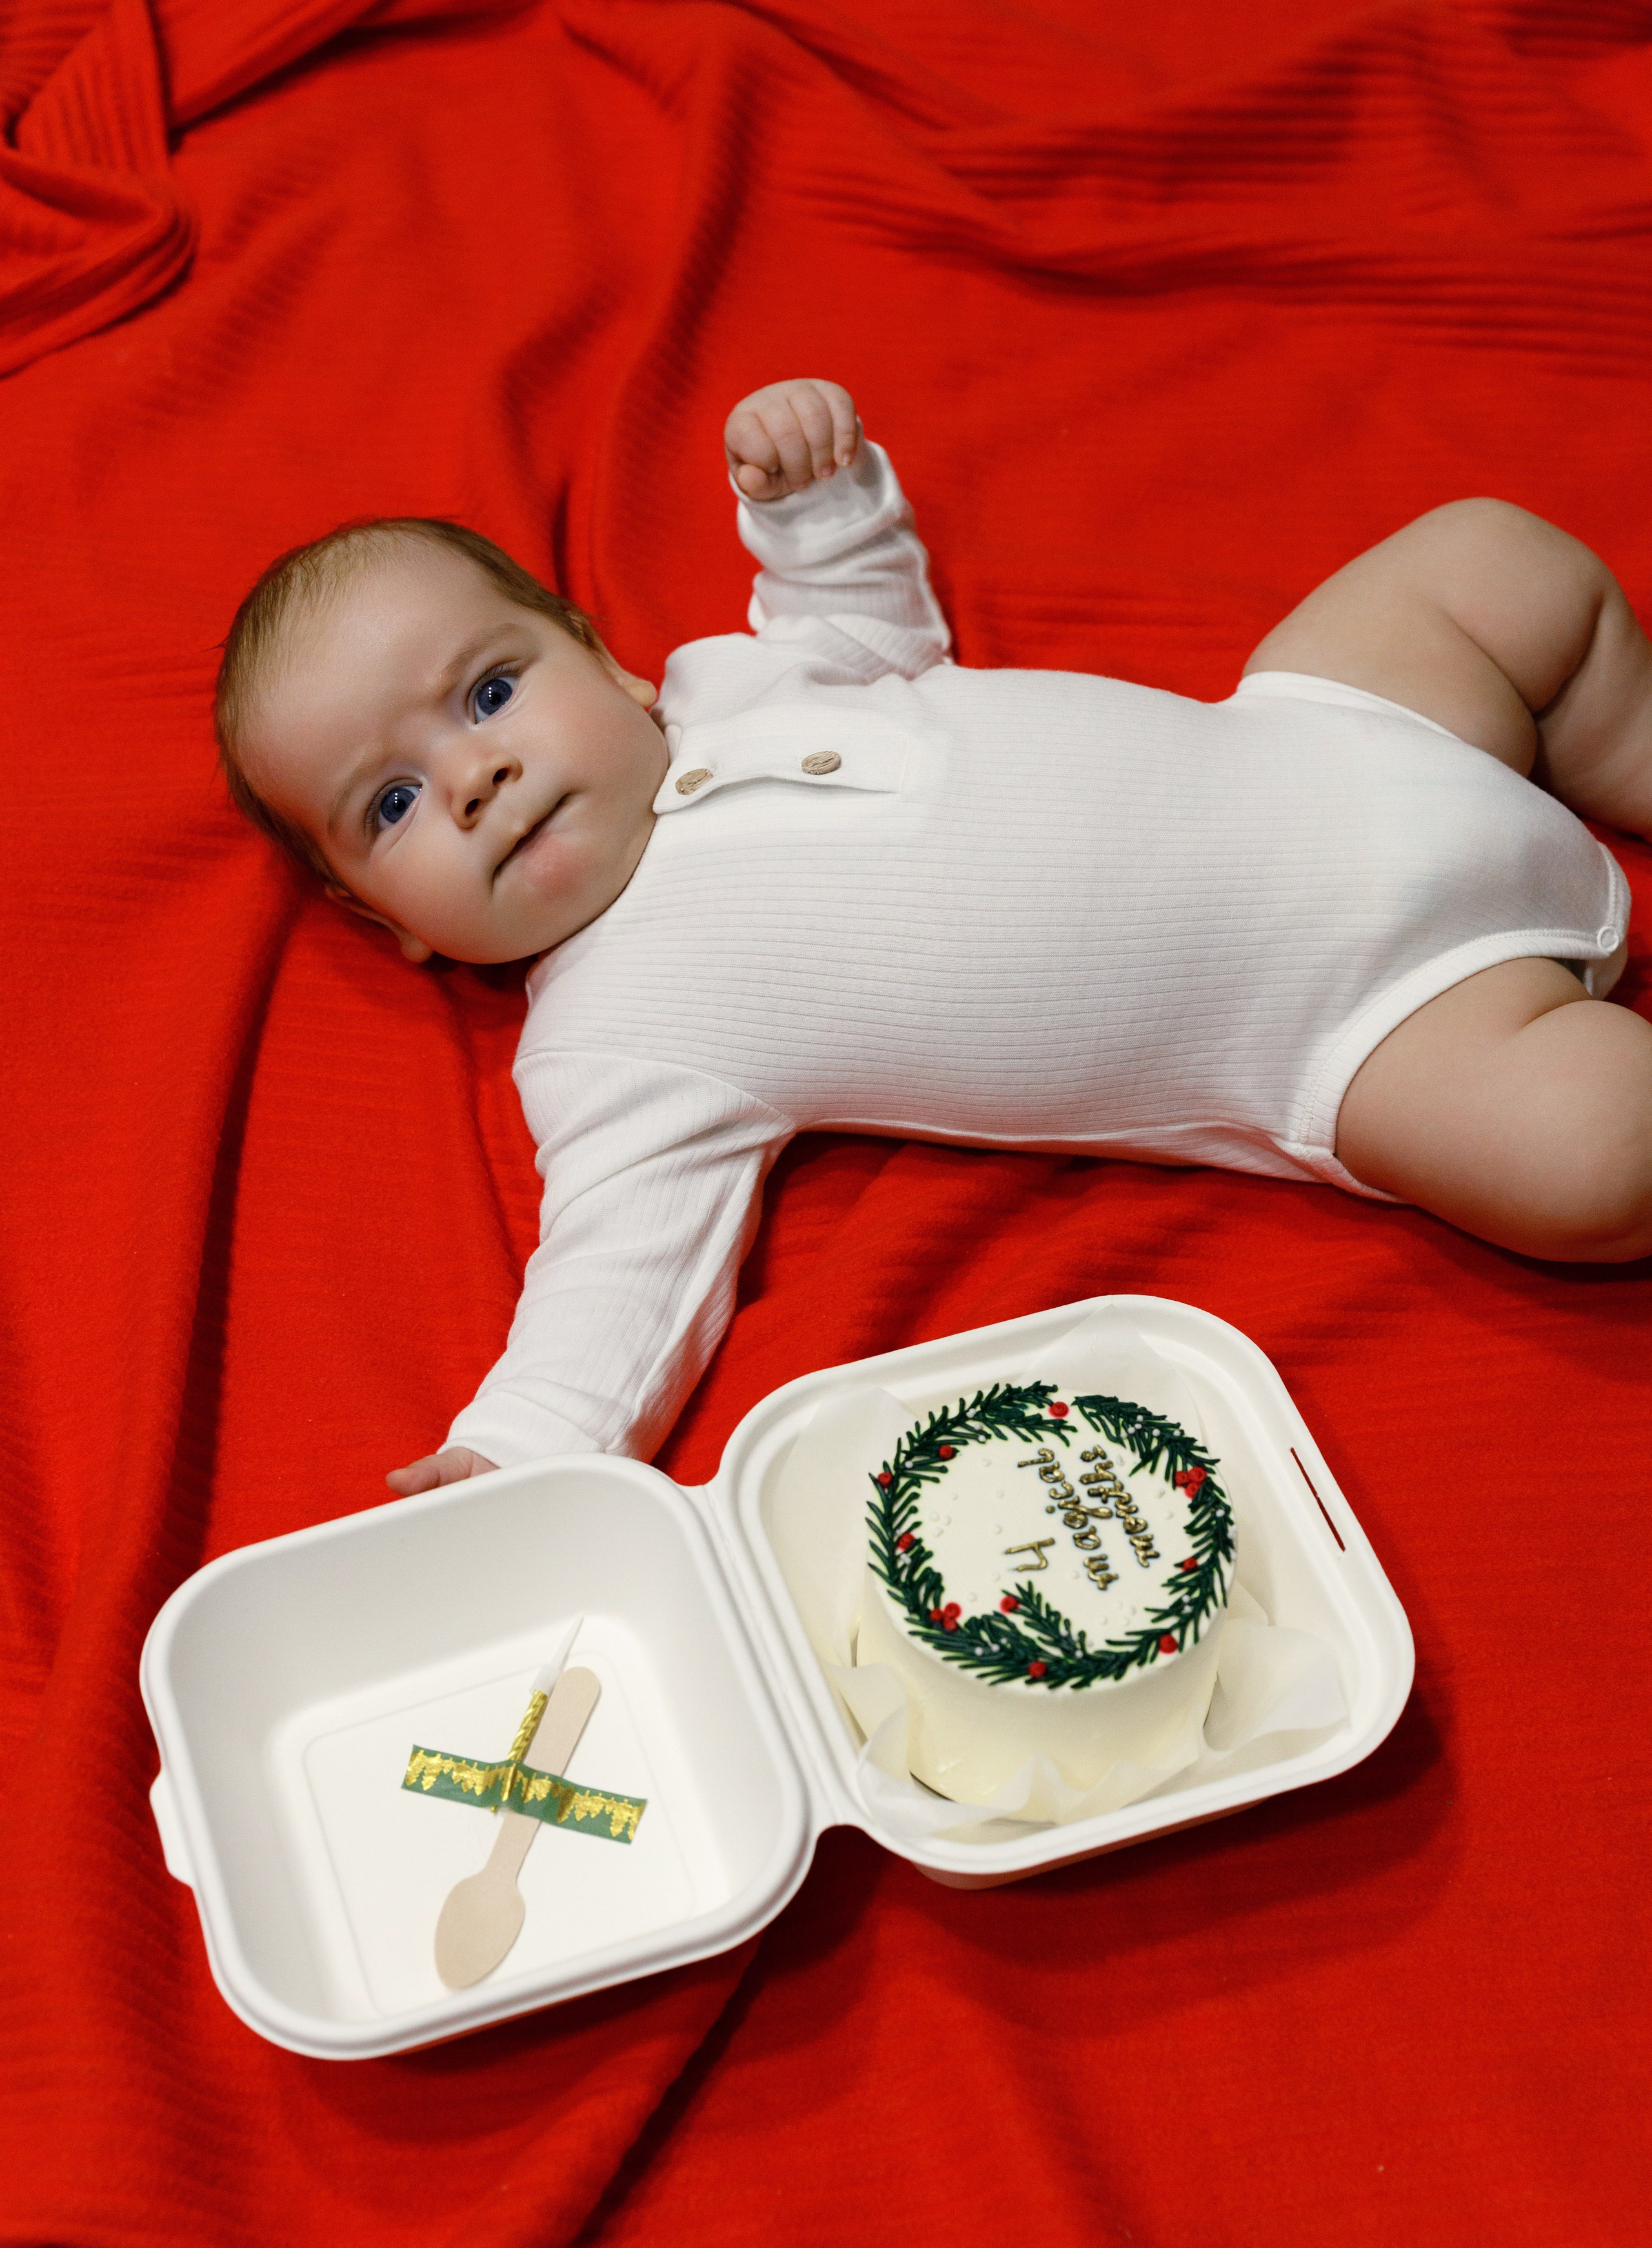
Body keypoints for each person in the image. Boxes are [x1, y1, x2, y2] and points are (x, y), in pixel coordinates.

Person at [213, 377, 1652, 1493]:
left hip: (1340, 729)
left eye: (486, 694)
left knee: (1484, 561)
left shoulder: (749, 681)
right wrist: (518, 1450)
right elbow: (613, 1272)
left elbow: (867, 618)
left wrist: (812, 501)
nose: (473, 779)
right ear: (381, 920)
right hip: (1364, 1019)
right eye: (391, 802)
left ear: (606, 660)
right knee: (1589, 1156)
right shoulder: (611, 1037)